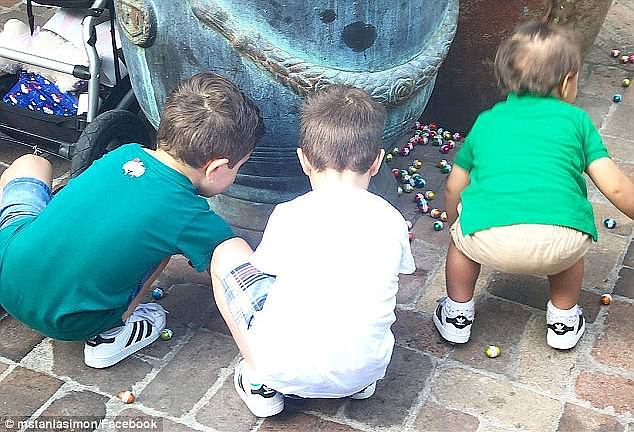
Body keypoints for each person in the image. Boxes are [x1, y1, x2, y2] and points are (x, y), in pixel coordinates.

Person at [0, 72, 264, 368]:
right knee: (162, 247)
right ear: (216, 168)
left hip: (6, 272)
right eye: (238, 167)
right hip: (72, 322)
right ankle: (111, 333)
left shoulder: (125, 153)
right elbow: (231, 262)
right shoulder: (189, 215)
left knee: (31, 163)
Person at [210, 85, 416, 417]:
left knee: (226, 255)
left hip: (283, 367)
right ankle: (356, 384)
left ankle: (259, 380)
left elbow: (264, 270)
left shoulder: (290, 214)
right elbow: (398, 274)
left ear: (303, 160)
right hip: (366, 371)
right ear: (377, 161)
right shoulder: (391, 220)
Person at [434, 21, 634, 350]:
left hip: (487, 238)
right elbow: (615, 188)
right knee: (571, 246)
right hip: (560, 243)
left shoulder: (487, 121)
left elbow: (454, 185)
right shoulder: (578, 122)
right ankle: (563, 320)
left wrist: (457, 220)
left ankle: (457, 314)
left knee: (460, 242)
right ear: (569, 82)